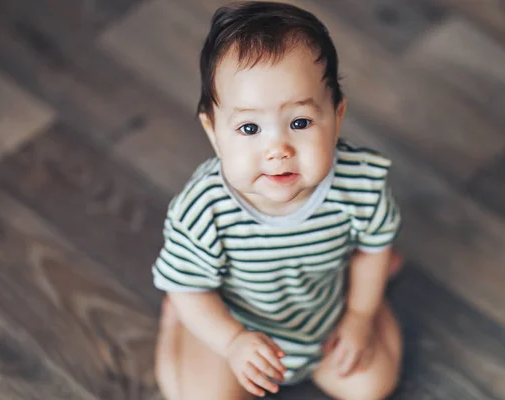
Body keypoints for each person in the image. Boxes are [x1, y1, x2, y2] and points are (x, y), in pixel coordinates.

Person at [152, 2, 403, 399]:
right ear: (214, 132)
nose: (277, 149)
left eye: (300, 122)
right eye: (249, 127)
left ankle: (370, 298)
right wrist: (233, 341)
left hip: (325, 318)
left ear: (337, 116)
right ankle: (176, 328)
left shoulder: (361, 183)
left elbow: (373, 248)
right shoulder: (203, 211)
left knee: (373, 386)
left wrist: (358, 316)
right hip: (235, 325)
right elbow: (190, 289)